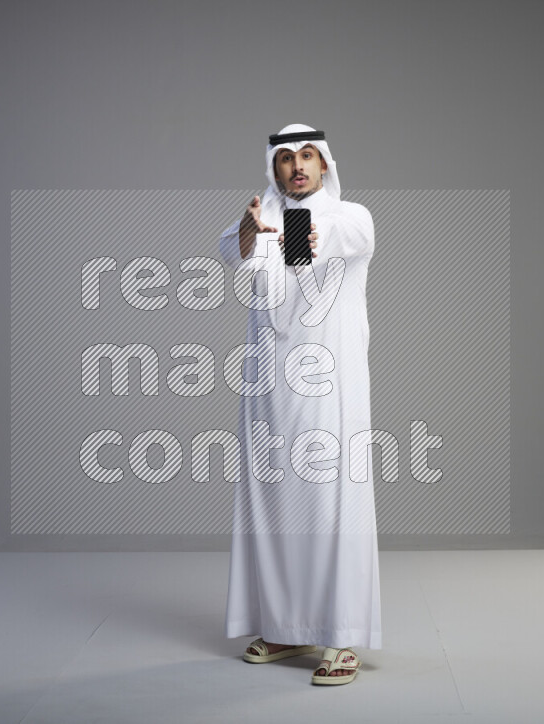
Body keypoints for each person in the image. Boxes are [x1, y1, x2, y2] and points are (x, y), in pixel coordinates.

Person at [218, 123, 381, 685]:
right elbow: (232, 251)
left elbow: (326, 237)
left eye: (308, 156)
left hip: (331, 388)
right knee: (275, 506)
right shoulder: (257, 219)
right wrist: (246, 235)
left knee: (335, 508)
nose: (297, 167)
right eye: (286, 158)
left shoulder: (352, 216)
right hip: (267, 387)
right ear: (274, 167)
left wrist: (296, 231)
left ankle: (342, 639)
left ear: (326, 164)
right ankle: (286, 627)